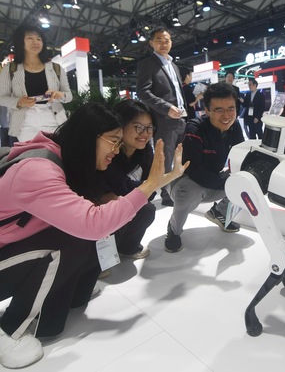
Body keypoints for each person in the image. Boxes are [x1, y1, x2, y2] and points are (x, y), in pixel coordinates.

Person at [0, 103, 187, 369]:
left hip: (12, 249)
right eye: (113, 141)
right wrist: (149, 186)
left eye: (119, 142)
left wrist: (150, 185)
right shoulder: (38, 171)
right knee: (69, 240)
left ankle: (61, 303)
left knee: (79, 236)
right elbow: (93, 223)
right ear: (88, 137)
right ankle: (10, 329)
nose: (116, 150)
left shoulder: (67, 162)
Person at [164, 83, 244, 253]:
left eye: (231, 108)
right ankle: (174, 229)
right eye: (219, 110)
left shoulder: (234, 127)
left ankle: (220, 213)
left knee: (248, 180)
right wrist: (224, 181)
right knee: (191, 190)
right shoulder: (194, 129)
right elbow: (194, 170)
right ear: (207, 110)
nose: (226, 115)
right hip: (184, 183)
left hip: (211, 181)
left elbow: (242, 156)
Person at [99, 100, 158, 262]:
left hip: (122, 203)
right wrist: (150, 185)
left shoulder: (145, 151)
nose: (145, 133)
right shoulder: (110, 152)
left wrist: (148, 186)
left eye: (149, 127)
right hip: (97, 210)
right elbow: (122, 186)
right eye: (138, 127)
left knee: (146, 209)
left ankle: (127, 247)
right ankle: (99, 259)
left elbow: (150, 191)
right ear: (120, 125)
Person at [136, 27, 186, 206]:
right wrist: (167, 108)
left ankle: (178, 188)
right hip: (164, 119)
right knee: (166, 157)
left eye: (167, 40)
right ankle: (166, 194)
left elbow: (178, 92)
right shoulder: (147, 64)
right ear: (151, 43)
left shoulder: (173, 65)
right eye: (159, 40)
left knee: (180, 154)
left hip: (181, 117)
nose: (164, 43)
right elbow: (143, 92)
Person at [0, 24, 72, 143]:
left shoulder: (56, 68)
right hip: (25, 123)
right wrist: (18, 102)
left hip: (54, 119)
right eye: (30, 38)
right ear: (20, 41)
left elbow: (68, 95)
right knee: (32, 157)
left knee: (55, 157)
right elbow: (1, 97)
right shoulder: (10, 69)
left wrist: (61, 95)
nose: (35, 42)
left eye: (39, 39)